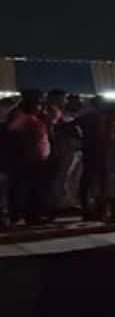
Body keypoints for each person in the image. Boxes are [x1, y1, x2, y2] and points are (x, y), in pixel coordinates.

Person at [5, 90, 51, 224]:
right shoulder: (23, 119)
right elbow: (18, 139)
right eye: (38, 104)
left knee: (30, 188)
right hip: (28, 160)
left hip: (34, 159)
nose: (41, 107)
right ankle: (29, 215)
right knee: (28, 189)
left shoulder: (31, 118)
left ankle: (28, 214)